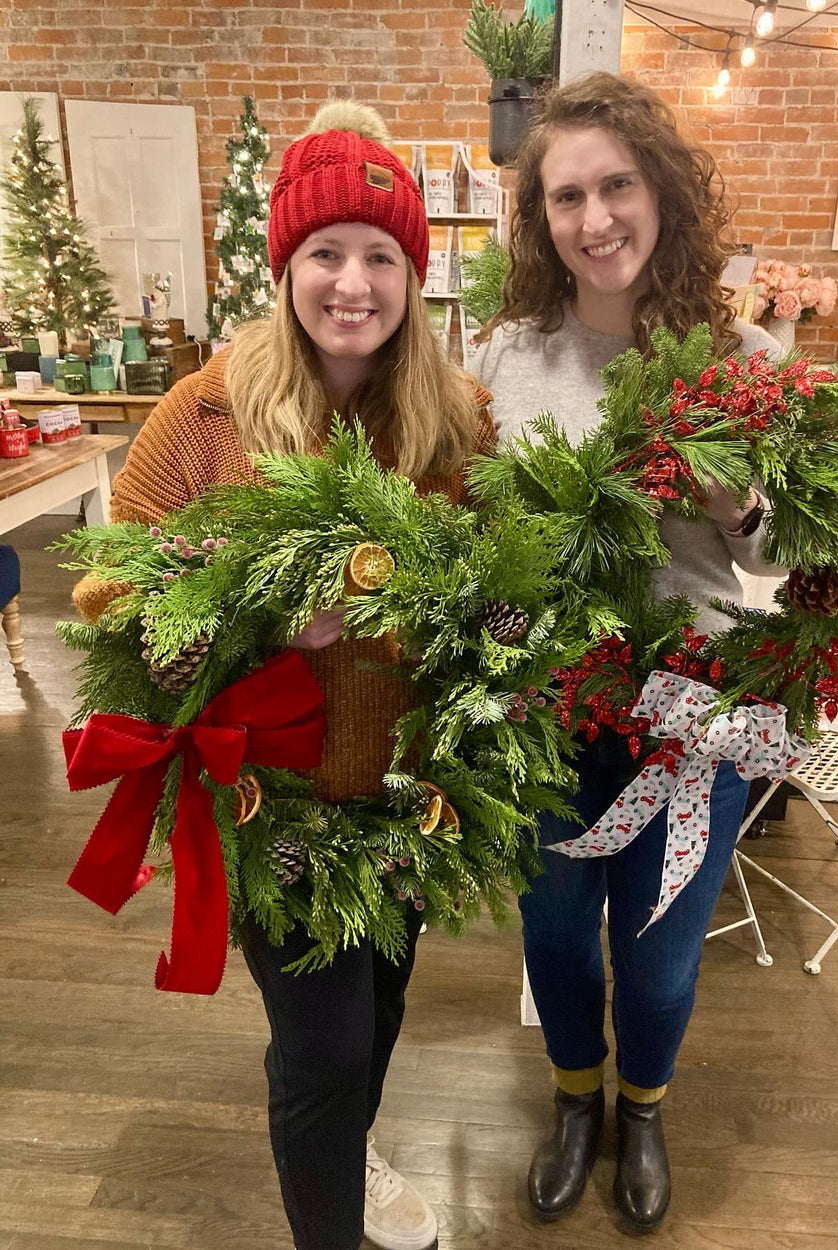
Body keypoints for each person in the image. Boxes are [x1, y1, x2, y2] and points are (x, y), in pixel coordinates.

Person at [73, 100, 494, 1250]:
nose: (351, 283)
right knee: (320, 1048)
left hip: (411, 799)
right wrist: (257, 613)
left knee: (385, 1002)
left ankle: (350, 1146)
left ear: (413, 272)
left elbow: (499, 584)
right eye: (324, 253)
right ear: (284, 265)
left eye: (379, 256)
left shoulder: (455, 419)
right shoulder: (206, 411)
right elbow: (105, 588)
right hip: (273, 801)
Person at [472, 72, 782, 1230]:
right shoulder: (507, 352)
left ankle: (641, 1109)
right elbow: (477, 523)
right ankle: (573, 1099)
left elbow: (790, 552)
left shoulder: (736, 350)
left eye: (615, 185)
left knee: (654, 958)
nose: (594, 217)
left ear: (660, 190)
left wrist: (736, 497)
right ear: (539, 218)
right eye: (566, 196)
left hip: (689, 714)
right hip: (545, 709)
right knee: (554, 935)